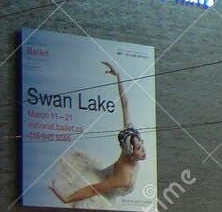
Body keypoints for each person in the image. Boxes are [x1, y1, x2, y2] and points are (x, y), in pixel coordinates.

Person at [49, 60, 148, 203]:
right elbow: (93, 189)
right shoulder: (123, 178)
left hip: (111, 174)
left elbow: (125, 104)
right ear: (129, 152)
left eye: (141, 144)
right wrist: (66, 199)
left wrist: (118, 76)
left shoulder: (129, 136)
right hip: (110, 189)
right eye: (139, 148)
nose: (144, 150)